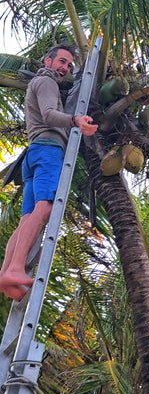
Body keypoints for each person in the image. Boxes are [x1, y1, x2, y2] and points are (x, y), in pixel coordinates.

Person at [0, 44, 98, 302]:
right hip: (48, 150)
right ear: (48, 60)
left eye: (69, 65)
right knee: (45, 208)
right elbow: (49, 114)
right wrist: (75, 120)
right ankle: (16, 269)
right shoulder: (46, 82)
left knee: (26, 219)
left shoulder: (41, 83)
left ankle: (6, 272)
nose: (65, 68)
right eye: (62, 62)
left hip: (34, 154)